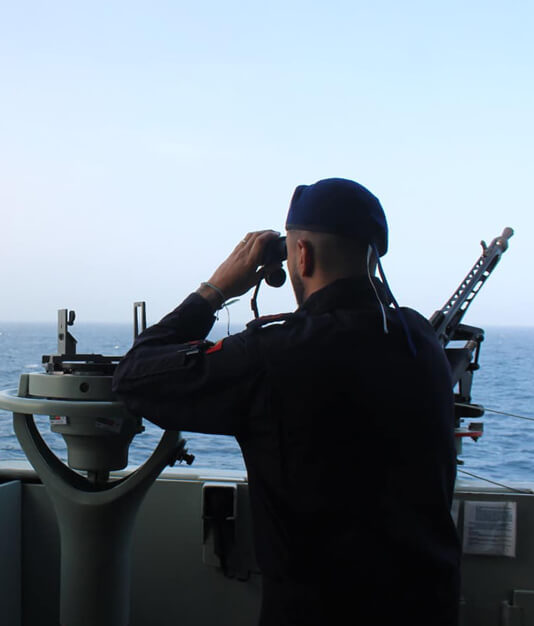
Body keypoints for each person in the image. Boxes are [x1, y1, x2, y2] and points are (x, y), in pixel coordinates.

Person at [111, 178, 461, 625]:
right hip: (427, 607)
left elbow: (135, 377)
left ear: (301, 256)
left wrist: (216, 289)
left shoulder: (274, 355)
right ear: (373, 256)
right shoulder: (420, 339)